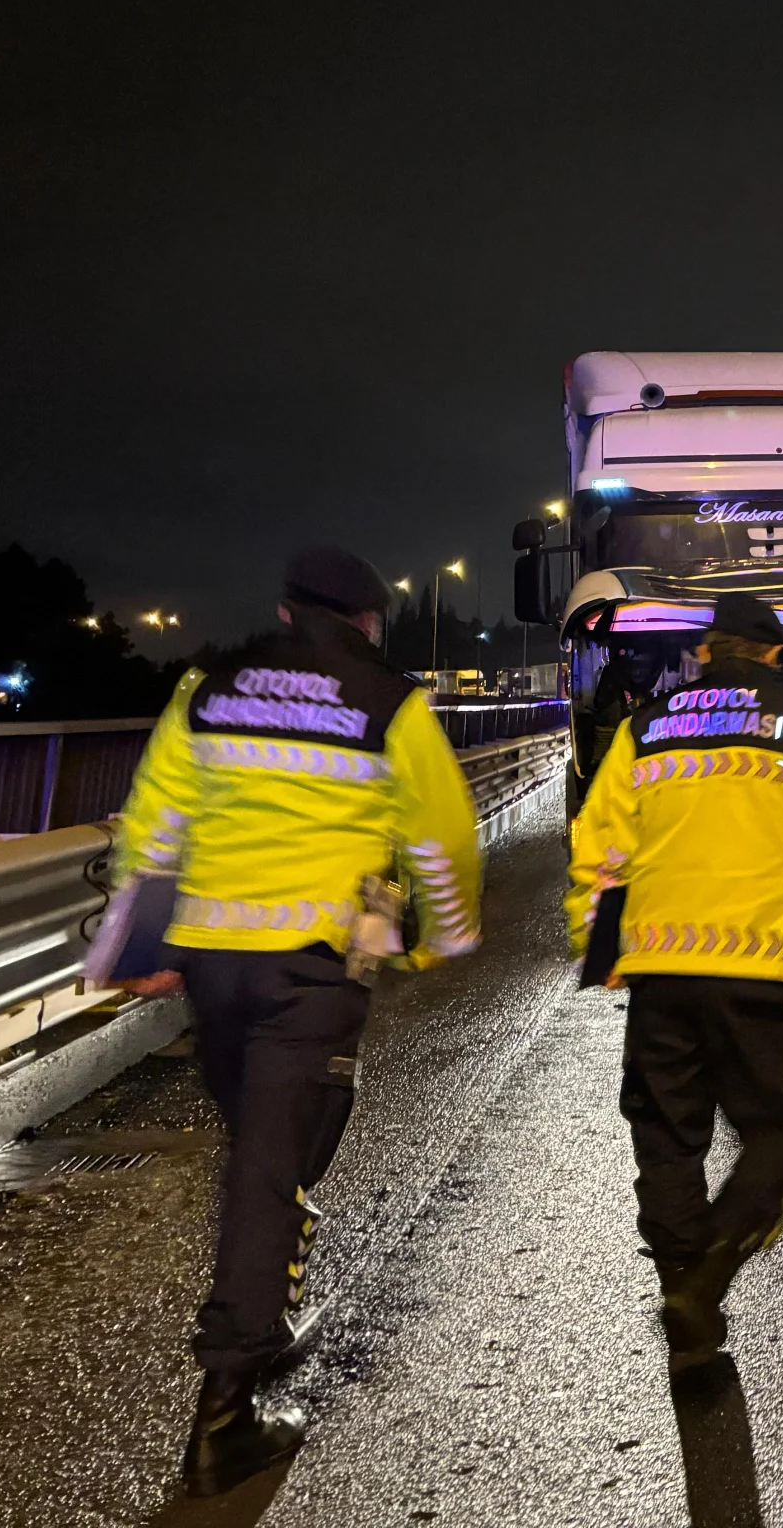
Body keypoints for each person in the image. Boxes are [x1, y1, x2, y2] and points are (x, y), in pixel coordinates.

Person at [107, 546, 482, 1496]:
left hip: (213, 965)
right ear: (366, 624)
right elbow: (439, 838)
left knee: (260, 1153)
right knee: (272, 1167)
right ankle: (228, 1409)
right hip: (310, 970)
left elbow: (155, 822)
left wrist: (143, 949)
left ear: (283, 612)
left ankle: (263, 1292)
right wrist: (439, 941)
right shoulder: (387, 701)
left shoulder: (209, 683)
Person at [565, 590, 783, 1375]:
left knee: (668, 1139)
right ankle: (707, 1278)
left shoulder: (648, 723)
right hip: (757, 971)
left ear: (707, 652)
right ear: (775, 653)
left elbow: (599, 843)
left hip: (659, 972)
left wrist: (597, 944)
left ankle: (692, 1325)